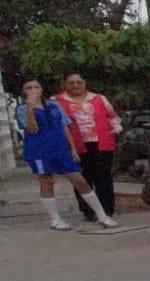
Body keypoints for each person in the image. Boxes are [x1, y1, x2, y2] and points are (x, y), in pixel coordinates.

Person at [15, 79, 118, 231]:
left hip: (60, 148)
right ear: (24, 91)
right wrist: (30, 107)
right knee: (47, 182)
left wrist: (73, 149)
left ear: (42, 89)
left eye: (36, 86)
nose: (33, 89)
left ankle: (102, 215)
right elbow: (31, 129)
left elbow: (65, 126)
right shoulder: (22, 108)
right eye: (29, 87)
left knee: (79, 180)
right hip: (39, 150)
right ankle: (56, 220)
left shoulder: (54, 105)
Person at [53, 73, 122, 222]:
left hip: (101, 143)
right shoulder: (56, 101)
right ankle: (88, 211)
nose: (76, 85)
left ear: (85, 83)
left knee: (103, 177)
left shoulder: (98, 98)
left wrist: (115, 129)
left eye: (79, 82)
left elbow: (112, 116)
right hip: (74, 146)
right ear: (65, 85)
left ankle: (107, 210)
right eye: (71, 83)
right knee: (82, 178)